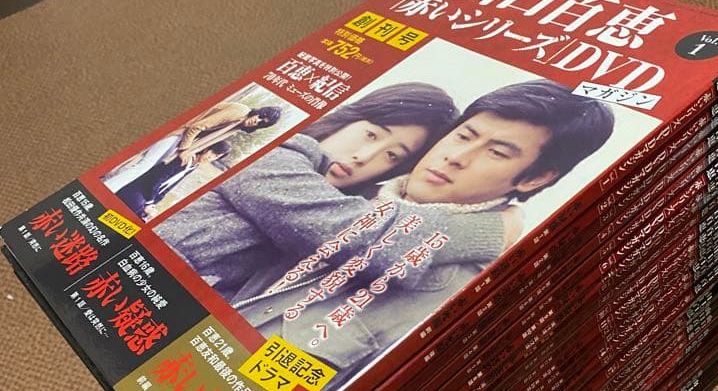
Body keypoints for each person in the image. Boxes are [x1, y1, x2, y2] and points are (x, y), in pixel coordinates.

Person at [233, 80, 615, 391]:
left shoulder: (457, 294)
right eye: (464, 135)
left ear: (535, 178)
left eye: (497, 153)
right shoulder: (347, 190)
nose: (457, 157)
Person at [154, 82, 519, 302]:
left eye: (392, 156)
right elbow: (366, 240)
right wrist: (493, 228)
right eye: (372, 134)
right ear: (350, 119)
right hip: (142, 275)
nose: (365, 157)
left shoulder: (338, 201)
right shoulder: (280, 155)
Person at [102, 100, 282, 195]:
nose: (257, 121)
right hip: (180, 132)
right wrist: (185, 149)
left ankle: (109, 183)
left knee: (149, 164)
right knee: (145, 164)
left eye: (262, 123)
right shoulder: (239, 112)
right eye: (260, 116)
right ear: (259, 111)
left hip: (183, 138)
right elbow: (197, 127)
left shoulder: (238, 124)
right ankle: (108, 188)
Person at [115, 140, 231, 220]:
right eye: (212, 152)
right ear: (206, 148)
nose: (211, 157)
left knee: (144, 218)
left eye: (216, 156)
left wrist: (153, 204)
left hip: (148, 195)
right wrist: (149, 203)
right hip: (140, 187)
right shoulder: (184, 159)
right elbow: (155, 179)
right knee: (135, 209)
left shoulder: (194, 165)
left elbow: (168, 187)